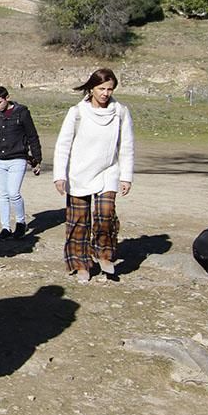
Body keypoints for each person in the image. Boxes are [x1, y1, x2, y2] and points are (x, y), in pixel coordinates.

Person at [52, 68, 134, 284]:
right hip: (79, 172)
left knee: (106, 214)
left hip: (108, 170)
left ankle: (104, 254)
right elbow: (63, 145)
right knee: (79, 221)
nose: (105, 93)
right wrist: (60, 175)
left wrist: (126, 176)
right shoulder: (77, 112)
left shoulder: (120, 112)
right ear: (91, 88)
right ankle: (81, 264)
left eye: (110, 89)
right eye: (101, 88)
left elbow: (126, 146)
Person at [0, 86, 42, 240]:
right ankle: (5, 227)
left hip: (17, 158)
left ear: (7, 98)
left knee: (14, 193)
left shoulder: (22, 113)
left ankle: (20, 223)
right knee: (2, 194)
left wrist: (36, 159)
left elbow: (32, 136)